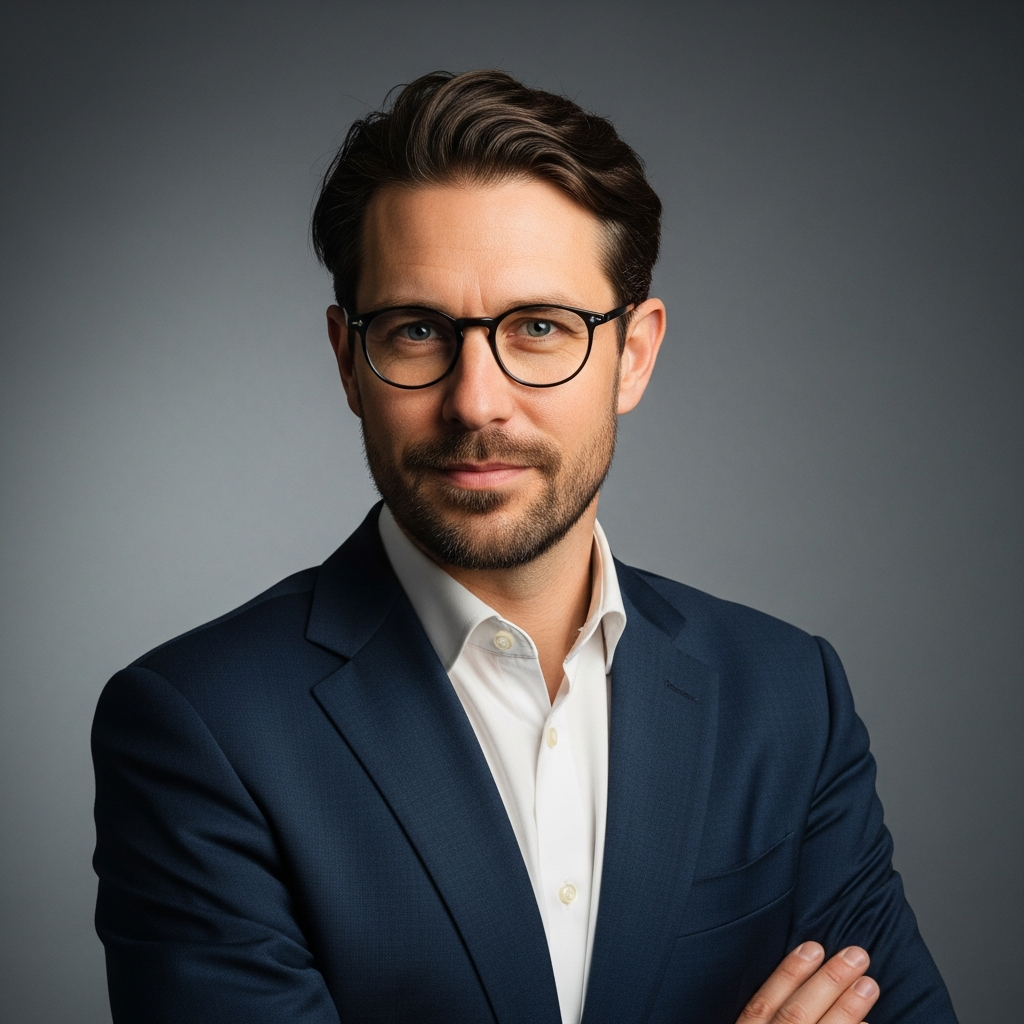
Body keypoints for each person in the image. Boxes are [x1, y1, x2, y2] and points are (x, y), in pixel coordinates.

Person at [91, 70, 958, 1024]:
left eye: (539, 328)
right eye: (418, 331)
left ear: (633, 354)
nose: (476, 400)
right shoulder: (200, 728)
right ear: (348, 360)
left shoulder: (790, 696)